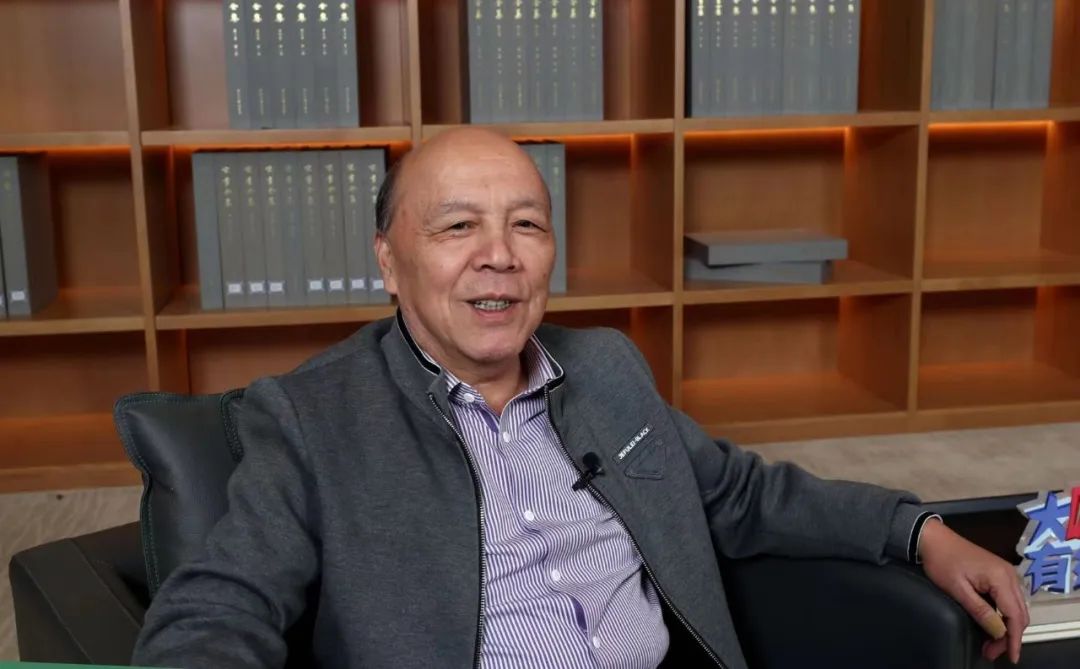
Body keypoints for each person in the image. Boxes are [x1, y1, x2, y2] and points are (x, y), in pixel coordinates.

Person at [133, 128, 1029, 668]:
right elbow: (221, 604)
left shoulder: (604, 369)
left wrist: (920, 531)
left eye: (526, 224)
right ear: (389, 261)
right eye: (458, 226)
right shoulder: (313, 416)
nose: (499, 255)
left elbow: (741, 494)